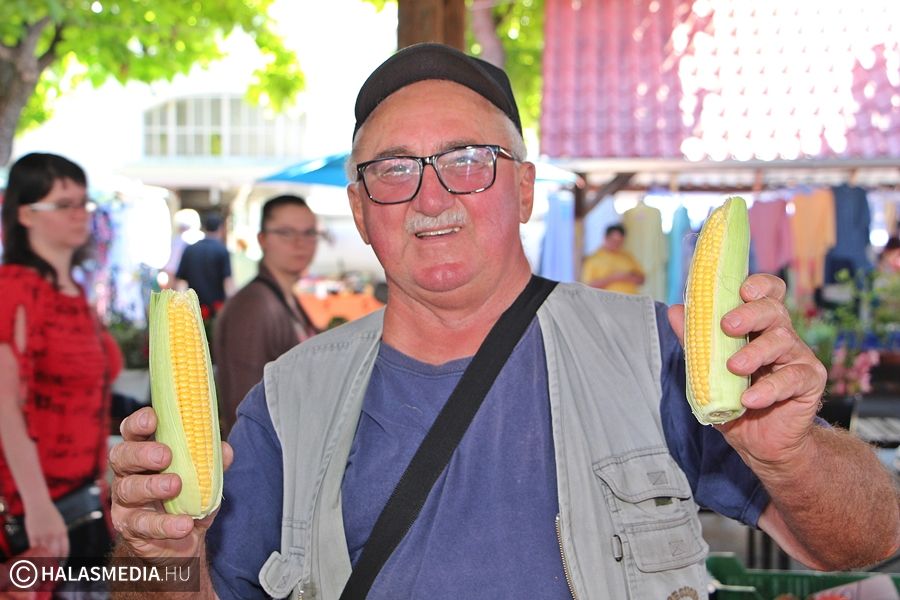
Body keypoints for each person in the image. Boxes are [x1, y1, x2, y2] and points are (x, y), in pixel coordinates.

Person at [109, 44, 899, 599]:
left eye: (467, 161)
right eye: (393, 170)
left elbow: (869, 540)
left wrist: (794, 455)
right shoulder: (289, 401)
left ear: (523, 189)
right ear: (361, 209)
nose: (430, 197)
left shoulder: (653, 352)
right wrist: (155, 555)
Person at [0, 153, 122, 565]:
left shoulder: (76, 290)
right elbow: (5, 407)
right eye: (64, 204)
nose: (79, 214)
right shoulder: (13, 288)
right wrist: (37, 504)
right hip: (37, 511)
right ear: (25, 214)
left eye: (84, 203)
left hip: (87, 499)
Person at [213, 195, 320, 437]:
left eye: (309, 233)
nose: (300, 243)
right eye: (286, 233)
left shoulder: (284, 297)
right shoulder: (252, 306)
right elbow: (243, 404)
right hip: (267, 454)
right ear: (262, 239)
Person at [175, 212, 234, 316]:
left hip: (193, 310)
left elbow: (180, 282)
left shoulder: (190, 249)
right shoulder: (222, 250)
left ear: (204, 228)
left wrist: (179, 306)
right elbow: (228, 283)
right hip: (216, 309)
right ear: (220, 229)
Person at [581, 222, 646, 293]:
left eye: (620, 242)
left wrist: (626, 277)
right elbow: (588, 287)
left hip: (631, 297)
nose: (616, 244)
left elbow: (642, 279)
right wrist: (613, 278)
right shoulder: (593, 259)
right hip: (607, 299)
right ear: (605, 238)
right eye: (614, 240)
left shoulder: (627, 256)